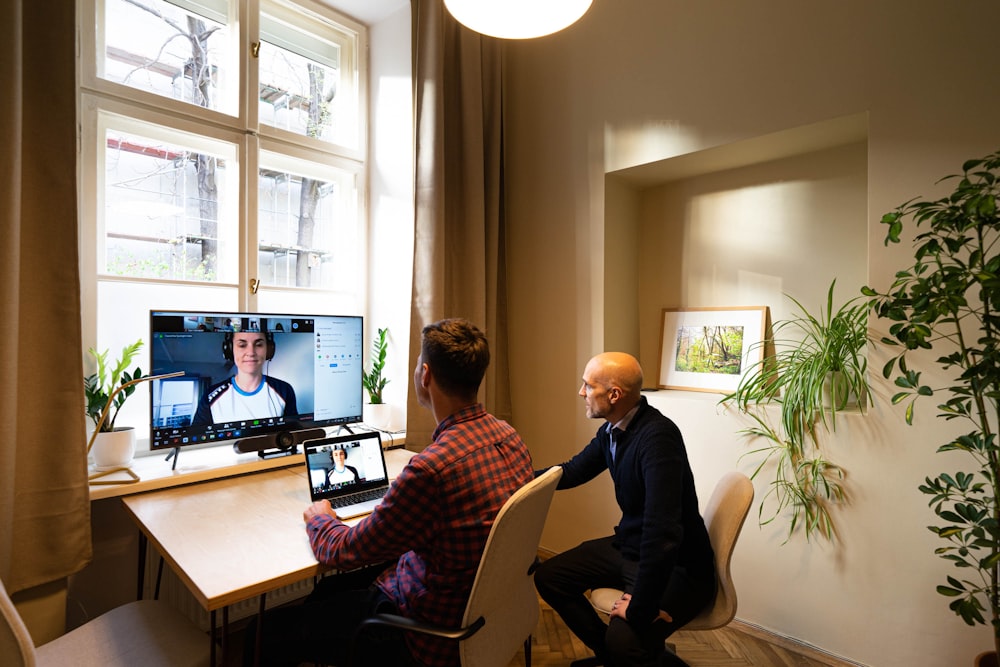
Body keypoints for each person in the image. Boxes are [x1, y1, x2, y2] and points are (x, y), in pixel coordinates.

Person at [243, 318, 534, 667]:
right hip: (481, 610)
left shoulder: (431, 470)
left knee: (262, 633)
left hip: (424, 632)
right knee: (325, 592)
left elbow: (345, 550)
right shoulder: (508, 435)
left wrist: (320, 519)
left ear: (425, 375)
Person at [533, 352, 716, 667]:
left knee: (625, 640)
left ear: (613, 395)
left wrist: (641, 606)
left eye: (588, 386)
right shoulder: (612, 431)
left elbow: (663, 533)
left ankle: (627, 654)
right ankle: (613, 657)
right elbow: (572, 471)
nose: (581, 393)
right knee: (551, 576)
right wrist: (512, 479)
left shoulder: (657, 438)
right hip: (632, 547)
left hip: (677, 565)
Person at [192, 330, 297, 425]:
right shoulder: (210, 397)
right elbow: (198, 442)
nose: (251, 353)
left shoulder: (285, 390)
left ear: (268, 350)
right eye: (242, 345)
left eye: (259, 344)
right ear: (230, 350)